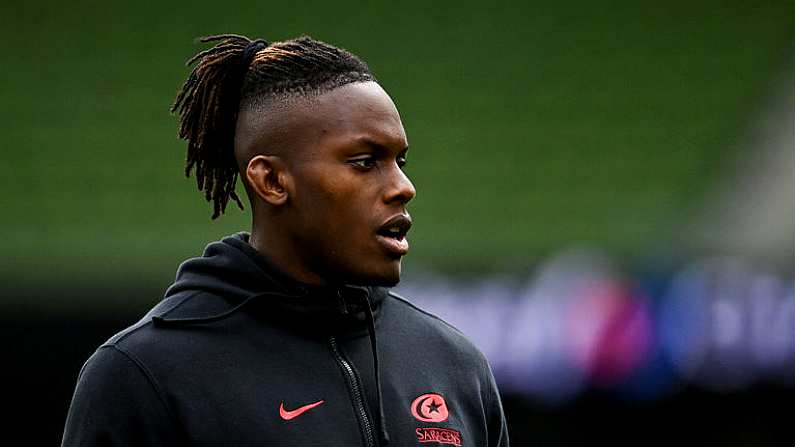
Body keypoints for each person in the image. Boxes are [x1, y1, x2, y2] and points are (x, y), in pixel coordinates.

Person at [62, 34, 508, 447]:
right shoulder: (145, 375)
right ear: (272, 180)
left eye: (400, 160)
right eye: (365, 161)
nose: (403, 186)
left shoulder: (454, 364)